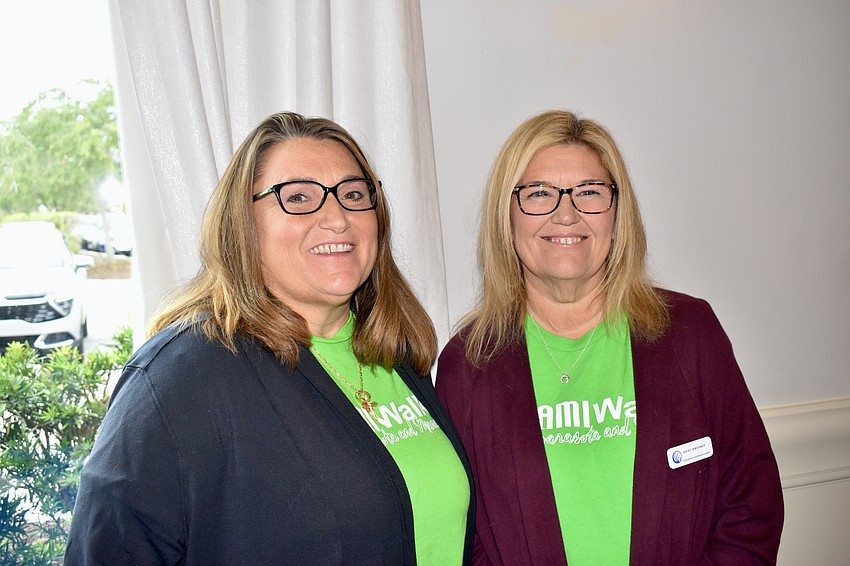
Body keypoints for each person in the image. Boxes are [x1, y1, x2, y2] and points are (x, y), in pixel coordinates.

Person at [65, 112, 473, 565]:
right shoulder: (179, 380)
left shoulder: (391, 351)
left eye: (355, 194)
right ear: (242, 222)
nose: (337, 218)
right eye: (298, 197)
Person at [435, 109, 783, 565]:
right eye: (539, 193)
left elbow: (750, 504)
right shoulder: (470, 363)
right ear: (507, 216)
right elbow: (463, 535)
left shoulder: (691, 333)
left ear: (617, 215)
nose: (566, 214)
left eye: (590, 193)